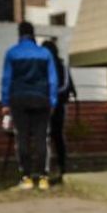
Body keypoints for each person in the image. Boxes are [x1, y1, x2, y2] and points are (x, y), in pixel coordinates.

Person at [1, 22, 57, 191]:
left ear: (19, 34)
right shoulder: (45, 53)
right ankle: (42, 178)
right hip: (41, 100)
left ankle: (26, 178)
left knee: (22, 138)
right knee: (41, 138)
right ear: (33, 34)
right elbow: (52, 80)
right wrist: (52, 101)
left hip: (19, 100)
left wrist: (5, 102)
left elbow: (6, 80)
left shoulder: (12, 53)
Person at [42, 40, 77, 178]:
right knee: (57, 137)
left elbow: (65, 85)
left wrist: (50, 95)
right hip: (59, 105)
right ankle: (61, 167)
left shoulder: (51, 65)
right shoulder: (61, 65)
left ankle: (48, 168)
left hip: (50, 106)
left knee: (47, 137)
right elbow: (68, 86)